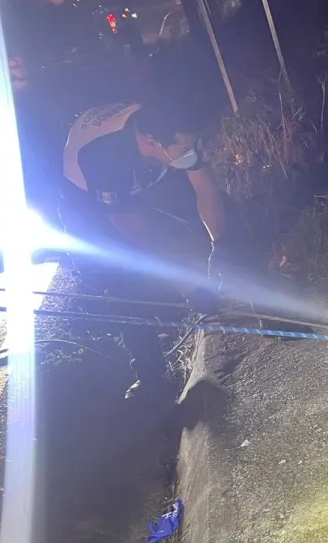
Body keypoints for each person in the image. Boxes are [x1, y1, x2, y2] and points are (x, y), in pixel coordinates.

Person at [59, 100, 243, 398]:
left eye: (193, 146)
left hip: (140, 176)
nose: (192, 153)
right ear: (151, 143)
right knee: (124, 282)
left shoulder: (171, 128)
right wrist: (190, 290)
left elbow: (204, 189)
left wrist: (220, 245)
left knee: (222, 216)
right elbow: (141, 239)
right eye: (185, 149)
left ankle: (258, 298)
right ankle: (150, 377)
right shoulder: (103, 157)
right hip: (89, 207)